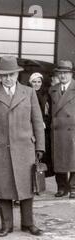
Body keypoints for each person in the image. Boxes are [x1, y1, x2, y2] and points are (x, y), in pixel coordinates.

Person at [0, 56, 45, 237]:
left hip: (25, 148)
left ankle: (28, 223)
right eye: (4, 75)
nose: (8, 79)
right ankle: (6, 225)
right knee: (3, 187)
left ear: (17, 74)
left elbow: (37, 122)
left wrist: (40, 147)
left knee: (27, 187)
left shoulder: (28, 92)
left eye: (12, 75)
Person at [49, 60, 75, 198]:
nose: (63, 76)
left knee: (73, 159)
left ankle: (73, 187)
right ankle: (61, 187)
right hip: (58, 129)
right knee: (59, 159)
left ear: (71, 74)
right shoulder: (52, 89)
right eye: (61, 73)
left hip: (73, 129)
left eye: (66, 73)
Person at [28, 72, 54, 177]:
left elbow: (49, 112)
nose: (37, 84)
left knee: (42, 154)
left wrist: (44, 123)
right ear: (30, 83)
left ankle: (40, 178)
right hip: (29, 127)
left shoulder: (46, 96)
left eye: (39, 82)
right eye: (34, 82)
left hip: (43, 128)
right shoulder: (26, 94)